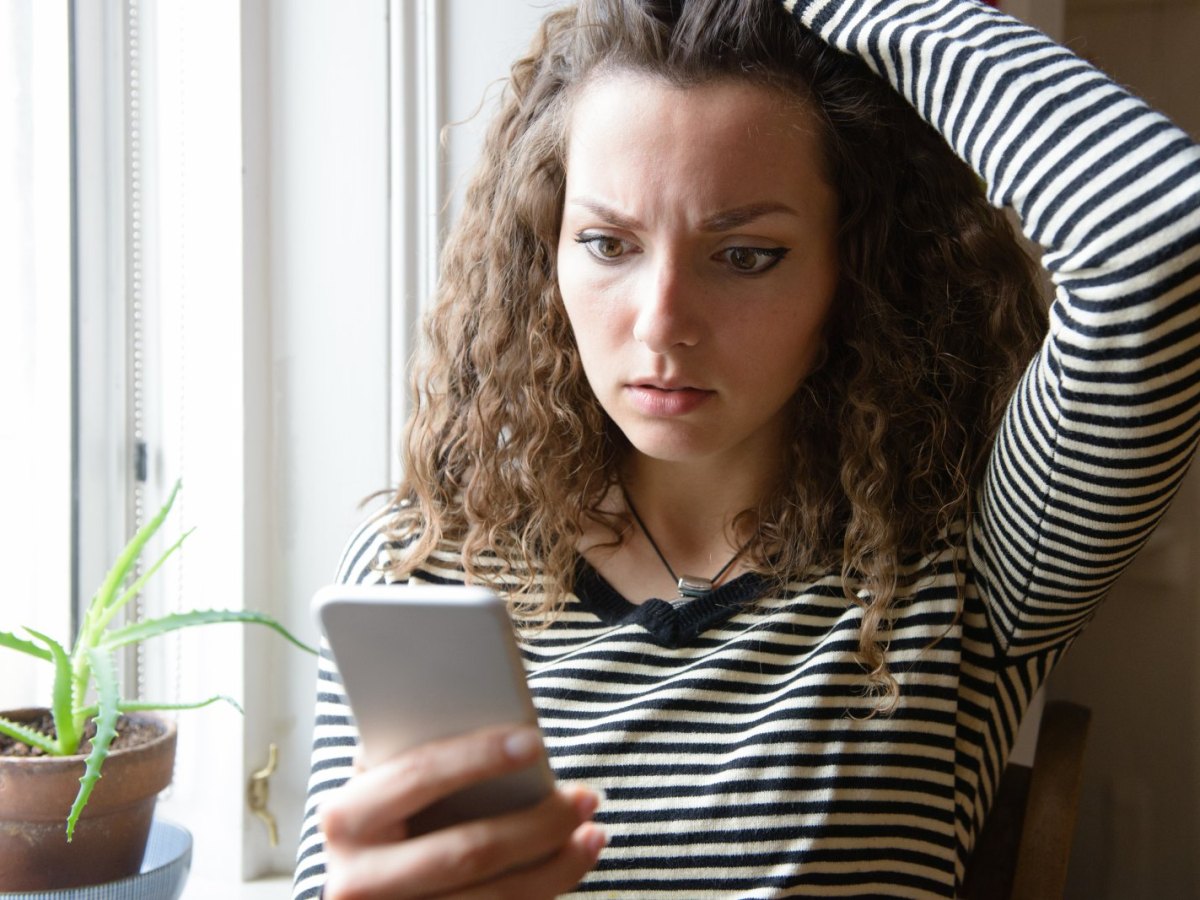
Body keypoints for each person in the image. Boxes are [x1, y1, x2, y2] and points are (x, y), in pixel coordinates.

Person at [294, 0, 1200, 896]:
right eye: (609, 243)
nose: (662, 325)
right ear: (546, 252)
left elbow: (1160, 237)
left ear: (858, 270)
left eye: (747, 255)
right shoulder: (421, 567)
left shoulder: (965, 560)